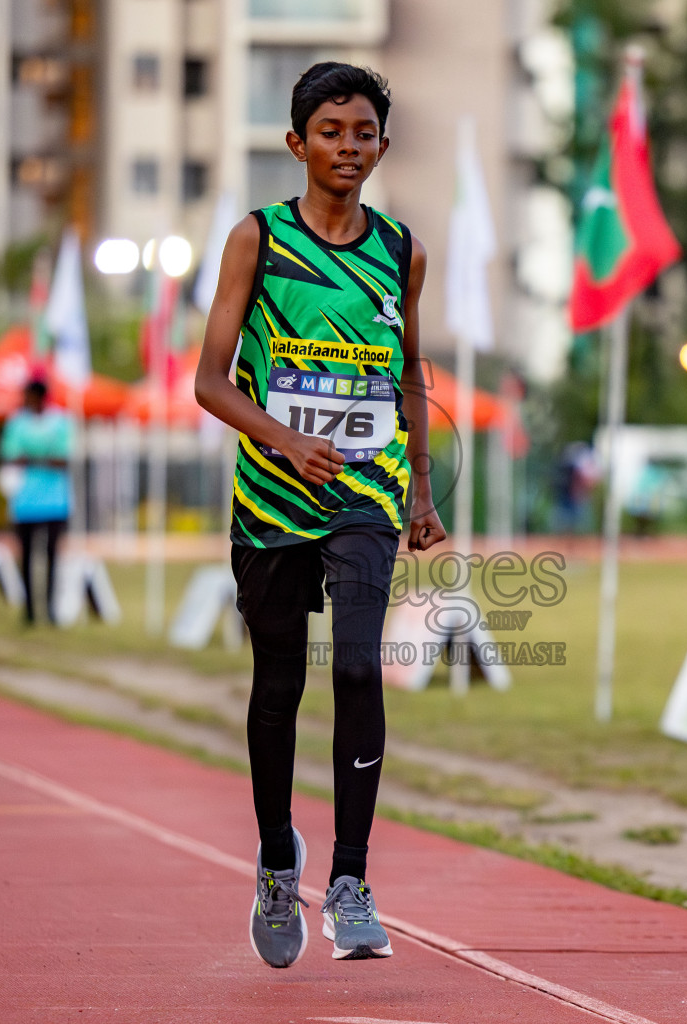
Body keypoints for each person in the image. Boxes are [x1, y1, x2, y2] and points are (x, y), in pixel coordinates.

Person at [194, 61, 445, 968]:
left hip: (367, 496)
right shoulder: (257, 241)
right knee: (277, 687)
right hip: (270, 498)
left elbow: (409, 374)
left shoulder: (401, 250)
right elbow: (208, 382)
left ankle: (350, 881)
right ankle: (273, 859)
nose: (348, 147)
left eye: (364, 132)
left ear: (383, 144)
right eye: (330, 132)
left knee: (354, 669)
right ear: (297, 143)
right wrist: (286, 442)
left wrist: (417, 487)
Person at [0, 376, 73, 626]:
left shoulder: (60, 421)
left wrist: (31, 459)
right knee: (27, 556)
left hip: (55, 501)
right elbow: (10, 457)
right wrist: (44, 459)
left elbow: (64, 461)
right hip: (25, 501)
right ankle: (30, 609)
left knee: (53, 557)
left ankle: (51, 609)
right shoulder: (17, 422)